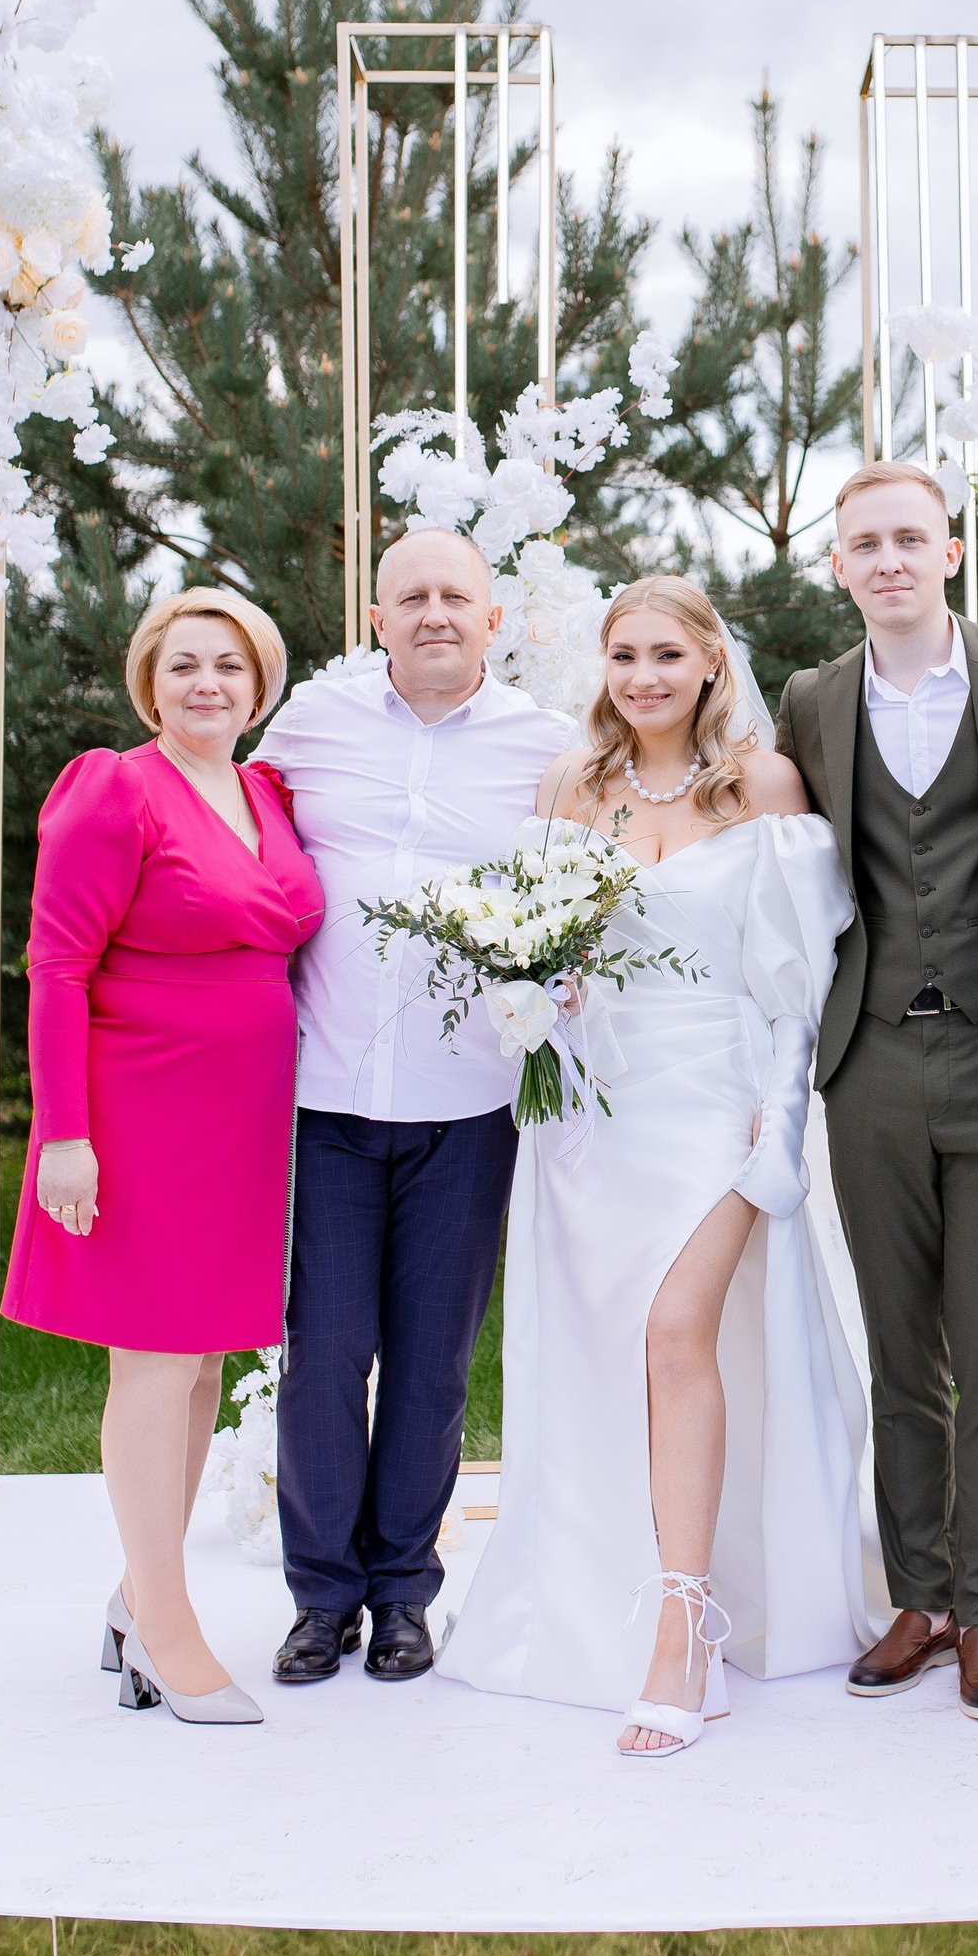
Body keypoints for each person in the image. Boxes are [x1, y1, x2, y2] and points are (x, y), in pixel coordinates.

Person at [438, 576, 867, 1752]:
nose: (643, 677)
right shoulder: (569, 789)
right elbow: (531, 957)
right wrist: (541, 995)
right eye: (624, 655)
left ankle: (684, 1627)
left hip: (718, 1104)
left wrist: (779, 1123)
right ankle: (593, 1594)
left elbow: (796, 985)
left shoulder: (763, 787)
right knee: (601, 1353)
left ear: (711, 662)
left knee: (679, 1331)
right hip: (591, 1116)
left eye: (667, 655)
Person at [773, 461, 978, 1725]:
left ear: (951, 552)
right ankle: (919, 1593)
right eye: (866, 542)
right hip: (869, 1057)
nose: (889, 558)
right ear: (839, 565)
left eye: (911, 536)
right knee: (900, 1345)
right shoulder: (811, 700)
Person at [252, 530, 577, 1690]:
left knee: (434, 1364)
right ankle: (319, 1598)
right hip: (323, 1092)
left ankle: (402, 1593)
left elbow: (588, 886)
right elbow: (238, 836)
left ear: (495, 619)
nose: (434, 612)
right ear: (377, 618)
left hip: (469, 1100)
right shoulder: (311, 723)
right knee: (325, 1354)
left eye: (456, 595)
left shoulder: (548, 745)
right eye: (412, 596)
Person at [4, 587, 323, 1728]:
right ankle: (167, 1622)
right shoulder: (115, 787)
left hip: (242, 1120)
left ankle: (140, 1590)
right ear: (150, 683)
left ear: (259, 685)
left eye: (229, 666)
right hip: (139, 1107)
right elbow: (56, 967)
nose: (206, 683)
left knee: (201, 1360)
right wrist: (66, 1134)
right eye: (184, 664)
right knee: (151, 1360)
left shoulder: (264, 792)